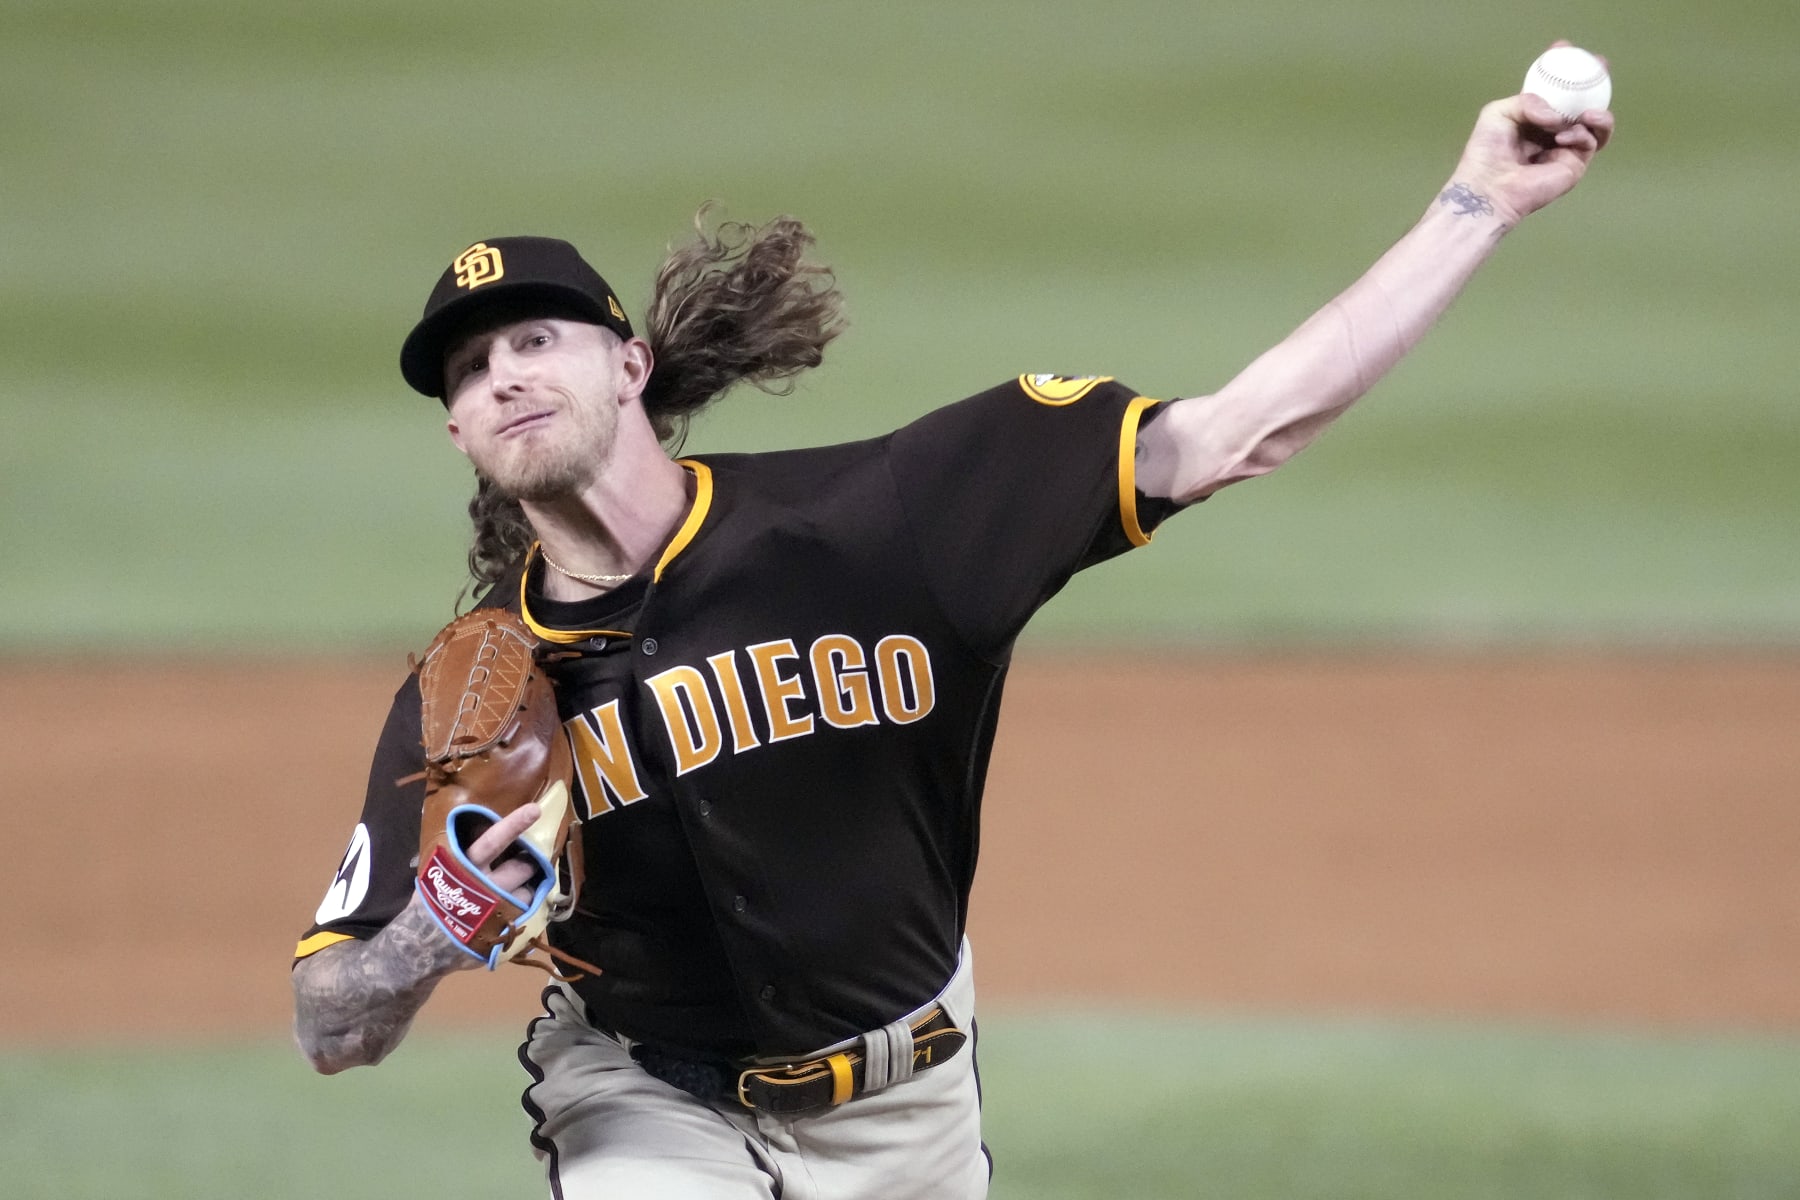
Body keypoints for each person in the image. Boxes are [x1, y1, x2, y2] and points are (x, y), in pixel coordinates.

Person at [291, 76, 1612, 1199]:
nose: (504, 373)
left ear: (629, 368)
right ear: (457, 432)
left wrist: (1479, 200)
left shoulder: (883, 525)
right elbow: (331, 1023)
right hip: (645, 1105)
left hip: (909, 1112)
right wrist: (438, 929)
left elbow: (1232, 432)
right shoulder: (473, 693)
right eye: (468, 373)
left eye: (536, 340)